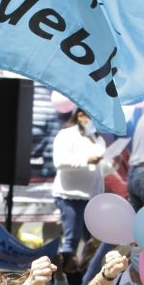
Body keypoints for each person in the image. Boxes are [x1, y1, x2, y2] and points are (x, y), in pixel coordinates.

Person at [51, 109, 104, 264]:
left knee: (93, 241)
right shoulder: (66, 135)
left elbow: (98, 168)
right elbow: (60, 162)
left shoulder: (96, 138)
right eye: (94, 116)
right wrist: (86, 161)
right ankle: (64, 280)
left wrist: (113, 164)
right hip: (70, 195)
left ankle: (83, 276)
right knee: (72, 239)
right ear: (80, 115)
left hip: (92, 198)